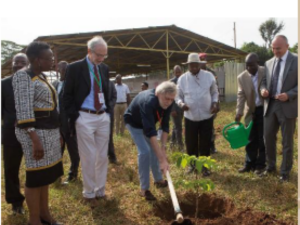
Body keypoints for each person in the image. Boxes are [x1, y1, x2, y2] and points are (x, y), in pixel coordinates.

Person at [12, 41, 63, 225]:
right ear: (37, 60)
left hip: (48, 131)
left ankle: (45, 214)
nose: (53, 61)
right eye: (49, 58)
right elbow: (24, 109)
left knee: (45, 176)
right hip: (33, 133)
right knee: (35, 177)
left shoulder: (40, 77)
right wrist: (35, 139)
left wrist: (57, 132)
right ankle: (34, 220)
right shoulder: (23, 76)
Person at [63, 36, 111, 207]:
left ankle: (100, 190)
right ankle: (89, 193)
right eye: (99, 55)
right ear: (89, 51)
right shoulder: (75, 68)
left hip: (102, 116)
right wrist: (76, 116)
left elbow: (107, 91)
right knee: (88, 156)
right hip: (85, 116)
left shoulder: (103, 68)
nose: (101, 59)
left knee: (102, 156)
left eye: (104, 55)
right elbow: (66, 95)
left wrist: (108, 112)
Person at [124, 81, 176, 200]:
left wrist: (163, 148)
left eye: (171, 99)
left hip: (148, 123)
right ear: (158, 93)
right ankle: (144, 189)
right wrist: (162, 160)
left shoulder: (168, 103)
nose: (168, 101)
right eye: (166, 98)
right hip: (134, 122)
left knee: (155, 150)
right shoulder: (148, 102)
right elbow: (150, 132)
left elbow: (165, 126)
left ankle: (158, 180)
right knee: (145, 151)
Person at [260, 35, 298, 182]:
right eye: (273, 48)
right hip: (270, 104)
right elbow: (263, 81)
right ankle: (270, 166)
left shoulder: (296, 60)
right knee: (268, 137)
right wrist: (263, 90)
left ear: (287, 46)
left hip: (288, 105)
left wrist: (289, 94)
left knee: (287, 140)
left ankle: (285, 171)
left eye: (278, 49)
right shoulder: (268, 63)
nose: (275, 51)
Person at [177, 53, 219, 176]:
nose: (194, 68)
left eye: (196, 66)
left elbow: (214, 92)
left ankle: (205, 166)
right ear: (188, 65)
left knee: (205, 142)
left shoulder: (208, 76)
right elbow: (177, 95)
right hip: (190, 116)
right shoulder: (182, 79)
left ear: (200, 65)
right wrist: (181, 104)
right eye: (192, 66)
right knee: (191, 142)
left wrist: (215, 103)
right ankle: (192, 165)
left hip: (207, 115)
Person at [1, 53, 28, 215]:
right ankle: (16, 203)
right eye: (16, 62)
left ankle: (35, 199)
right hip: (11, 134)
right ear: (12, 64)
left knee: (34, 168)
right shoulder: (3, 84)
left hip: (33, 133)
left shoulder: (33, 82)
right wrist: (13, 120)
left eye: (22, 62)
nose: (18, 64)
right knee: (11, 169)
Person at [235, 53, 266, 175]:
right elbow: (240, 96)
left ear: (257, 63)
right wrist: (239, 112)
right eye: (247, 66)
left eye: (252, 65)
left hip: (264, 109)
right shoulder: (241, 77)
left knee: (262, 139)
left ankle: (260, 165)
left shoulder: (265, 71)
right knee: (250, 138)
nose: (249, 68)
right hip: (251, 112)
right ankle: (249, 163)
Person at [52, 61, 80, 184]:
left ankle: (72, 175)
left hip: (69, 122)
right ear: (58, 69)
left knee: (73, 150)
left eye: (66, 68)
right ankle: (57, 176)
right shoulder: (55, 84)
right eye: (61, 68)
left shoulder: (74, 84)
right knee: (58, 150)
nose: (63, 70)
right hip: (57, 122)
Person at [198, 53, 219, 154]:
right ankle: (202, 147)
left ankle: (212, 146)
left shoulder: (211, 73)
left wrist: (216, 104)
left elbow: (215, 90)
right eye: (201, 60)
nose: (202, 62)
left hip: (210, 104)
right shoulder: (195, 73)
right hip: (199, 105)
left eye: (204, 60)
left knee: (210, 126)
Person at [169, 65, 184, 149]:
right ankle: (180, 146)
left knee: (176, 126)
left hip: (182, 108)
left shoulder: (184, 81)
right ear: (174, 73)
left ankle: (172, 144)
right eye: (176, 72)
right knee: (178, 128)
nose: (178, 73)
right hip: (175, 109)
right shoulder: (171, 83)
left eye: (179, 72)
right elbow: (170, 98)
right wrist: (172, 109)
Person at [107, 80, 118, 164]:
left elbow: (114, 96)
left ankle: (112, 157)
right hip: (96, 114)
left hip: (108, 113)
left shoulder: (110, 84)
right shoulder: (93, 82)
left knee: (109, 135)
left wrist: (109, 106)